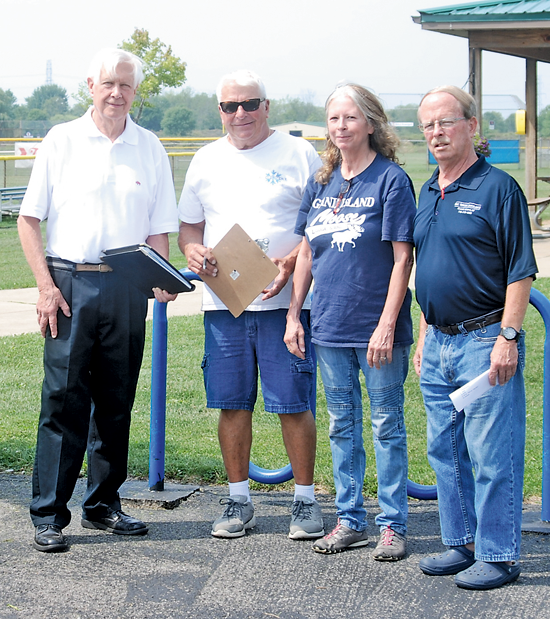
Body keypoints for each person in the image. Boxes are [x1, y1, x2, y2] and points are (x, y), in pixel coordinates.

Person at [18, 48, 179, 553]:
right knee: (63, 400)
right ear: (91, 85)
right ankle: (49, 513)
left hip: (128, 286)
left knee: (116, 400)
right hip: (69, 284)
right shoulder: (62, 139)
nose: (117, 93)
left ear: (135, 91)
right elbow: (29, 220)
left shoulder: (149, 146)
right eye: (108, 83)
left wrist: (160, 278)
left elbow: (159, 229)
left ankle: (103, 504)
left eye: (126, 85)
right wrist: (46, 287)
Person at [178, 70, 324, 540]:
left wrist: (291, 260)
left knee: (293, 403)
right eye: (230, 106)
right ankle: (238, 499)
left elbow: (320, 225)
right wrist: (192, 250)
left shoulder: (299, 153)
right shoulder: (205, 159)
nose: (240, 113)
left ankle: (305, 501)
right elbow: (189, 227)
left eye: (250, 104)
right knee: (231, 403)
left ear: (267, 106)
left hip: (286, 304)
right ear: (219, 110)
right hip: (226, 303)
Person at [284, 83, 416, 560]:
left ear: (371, 124)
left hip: (377, 329)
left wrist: (387, 324)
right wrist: (294, 314)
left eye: (351, 117)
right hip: (330, 327)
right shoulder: (321, 181)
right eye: (334, 118)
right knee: (341, 425)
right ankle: (350, 520)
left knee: (386, 425)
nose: (341, 126)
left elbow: (402, 259)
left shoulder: (391, 180)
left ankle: (392, 525)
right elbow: (305, 254)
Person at [414, 86, 537, 590]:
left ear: (471, 126)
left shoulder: (498, 188)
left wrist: (508, 336)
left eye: (446, 122)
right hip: (438, 342)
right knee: (445, 450)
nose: (437, 133)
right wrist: (424, 335)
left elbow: (520, 270)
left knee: (491, 453)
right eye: (428, 125)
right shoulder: (428, 190)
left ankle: (499, 555)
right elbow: (429, 267)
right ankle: (461, 543)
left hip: (485, 339)